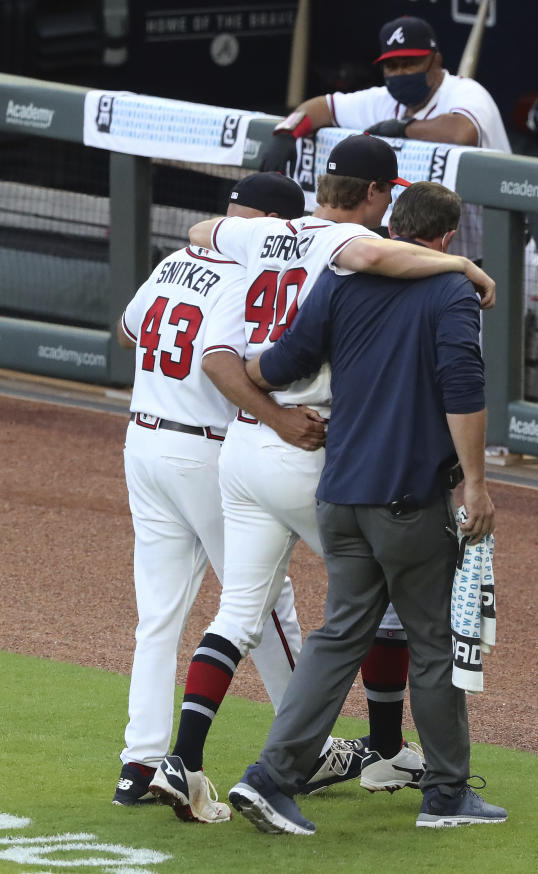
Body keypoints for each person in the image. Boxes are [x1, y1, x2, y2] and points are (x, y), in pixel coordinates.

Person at [148, 136, 496, 821]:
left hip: (279, 463)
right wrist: (476, 483)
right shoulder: (371, 260)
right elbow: (461, 385)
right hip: (354, 469)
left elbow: (250, 357)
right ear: (377, 199)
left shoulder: (281, 246)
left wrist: (266, 407)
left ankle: (226, 767)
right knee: (415, 625)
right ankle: (421, 775)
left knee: (294, 622)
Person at [227, 180, 507, 834]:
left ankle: (271, 775)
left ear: (394, 224)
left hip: (339, 495)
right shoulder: (450, 291)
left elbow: (287, 362)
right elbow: (463, 388)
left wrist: (247, 375)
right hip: (407, 499)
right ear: (446, 239)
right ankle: (445, 795)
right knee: (433, 643)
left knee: (337, 637)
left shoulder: (344, 281)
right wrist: (475, 484)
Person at [112, 172, 319, 819]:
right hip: (203, 450)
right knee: (260, 602)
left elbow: (128, 330)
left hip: (143, 441)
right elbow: (225, 361)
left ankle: (139, 762)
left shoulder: (179, 258)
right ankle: (300, 750)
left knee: (159, 617)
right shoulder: (248, 273)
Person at [261, 14, 511, 262]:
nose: (400, 72)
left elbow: (462, 131)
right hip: (431, 257)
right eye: (392, 65)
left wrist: (404, 129)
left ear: (436, 60)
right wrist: (287, 130)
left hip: (497, 251)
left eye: (410, 62)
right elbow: (322, 107)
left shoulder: (466, 92)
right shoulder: (382, 100)